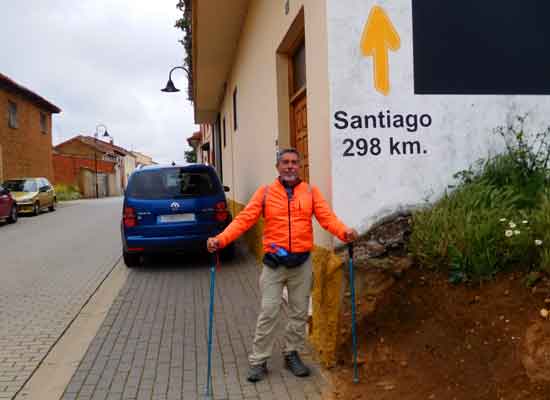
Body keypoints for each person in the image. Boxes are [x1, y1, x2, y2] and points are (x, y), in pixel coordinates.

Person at [207, 148, 358, 382]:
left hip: (302, 264)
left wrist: (344, 232)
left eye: (294, 163)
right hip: (274, 265)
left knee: (299, 313)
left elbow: (327, 218)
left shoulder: (310, 192)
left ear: (299, 166)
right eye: (285, 162)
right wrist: (221, 239)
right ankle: (258, 360)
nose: (289, 166)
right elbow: (244, 219)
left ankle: (291, 353)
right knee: (269, 311)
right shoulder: (266, 193)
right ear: (277, 167)